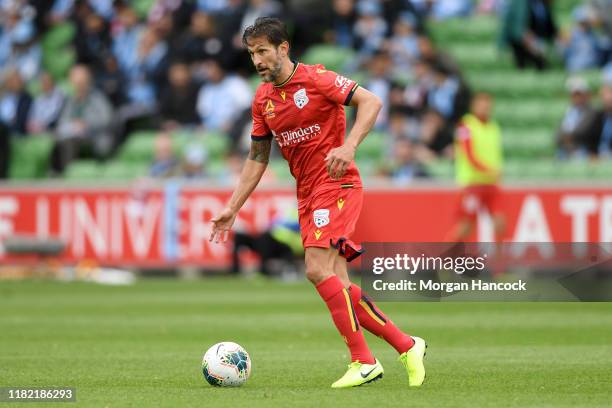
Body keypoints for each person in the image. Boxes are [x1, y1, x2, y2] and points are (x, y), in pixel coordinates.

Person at [209, 17, 426, 389]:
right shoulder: (262, 100)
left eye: (263, 51)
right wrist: (233, 206)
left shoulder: (317, 79)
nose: (257, 60)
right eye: (251, 54)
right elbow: (258, 158)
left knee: (314, 268)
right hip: (308, 194)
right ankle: (407, 345)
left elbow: (371, 101)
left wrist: (349, 145)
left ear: (283, 48)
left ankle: (363, 361)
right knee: (339, 285)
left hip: (337, 184)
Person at [449, 92, 505, 242]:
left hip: (491, 185)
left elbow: (495, 155)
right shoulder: (466, 126)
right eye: (481, 104)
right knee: (465, 227)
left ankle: (500, 265)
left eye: (487, 104)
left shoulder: (494, 127)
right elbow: (469, 156)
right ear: (473, 106)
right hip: (472, 184)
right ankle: (443, 261)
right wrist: (490, 170)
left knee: (500, 224)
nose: (485, 107)